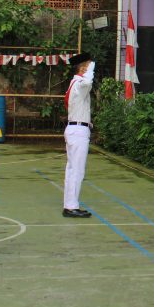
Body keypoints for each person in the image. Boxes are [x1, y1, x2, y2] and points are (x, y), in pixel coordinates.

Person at [63, 53, 94, 219]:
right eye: (89, 66)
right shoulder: (79, 84)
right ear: (83, 69)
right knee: (77, 171)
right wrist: (90, 69)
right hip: (78, 131)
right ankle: (71, 207)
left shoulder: (75, 84)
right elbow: (88, 82)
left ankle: (70, 205)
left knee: (72, 170)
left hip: (76, 129)